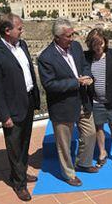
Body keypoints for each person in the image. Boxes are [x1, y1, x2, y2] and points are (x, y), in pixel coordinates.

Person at [0, 13, 40, 201]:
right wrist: (4, 115)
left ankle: (20, 174)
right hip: (12, 108)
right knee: (15, 147)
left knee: (24, 143)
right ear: (7, 31)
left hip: (28, 101)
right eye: (19, 28)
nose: (22, 30)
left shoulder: (21, 45)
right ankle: (19, 184)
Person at [38, 19, 97, 187]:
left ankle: (83, 163)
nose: (72, 38)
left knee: (90, 133)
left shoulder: (76, 47)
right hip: (62, 105)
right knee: (64, 143)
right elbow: (49, 85)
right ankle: (69, 174)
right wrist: (76, 82)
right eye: (68, 35)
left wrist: (87, 76)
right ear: (57, 37)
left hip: (82, 101)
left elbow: (84, 65)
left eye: (73, 34)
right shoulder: (46, 57)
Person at [84, 28, 112, 168]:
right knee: (99, 127)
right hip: (95, 100)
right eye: (95, 44)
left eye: (101, 43)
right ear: (90, 45)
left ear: (105, 42)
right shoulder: (86, 57)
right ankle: (102, 153)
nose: (98, 47)